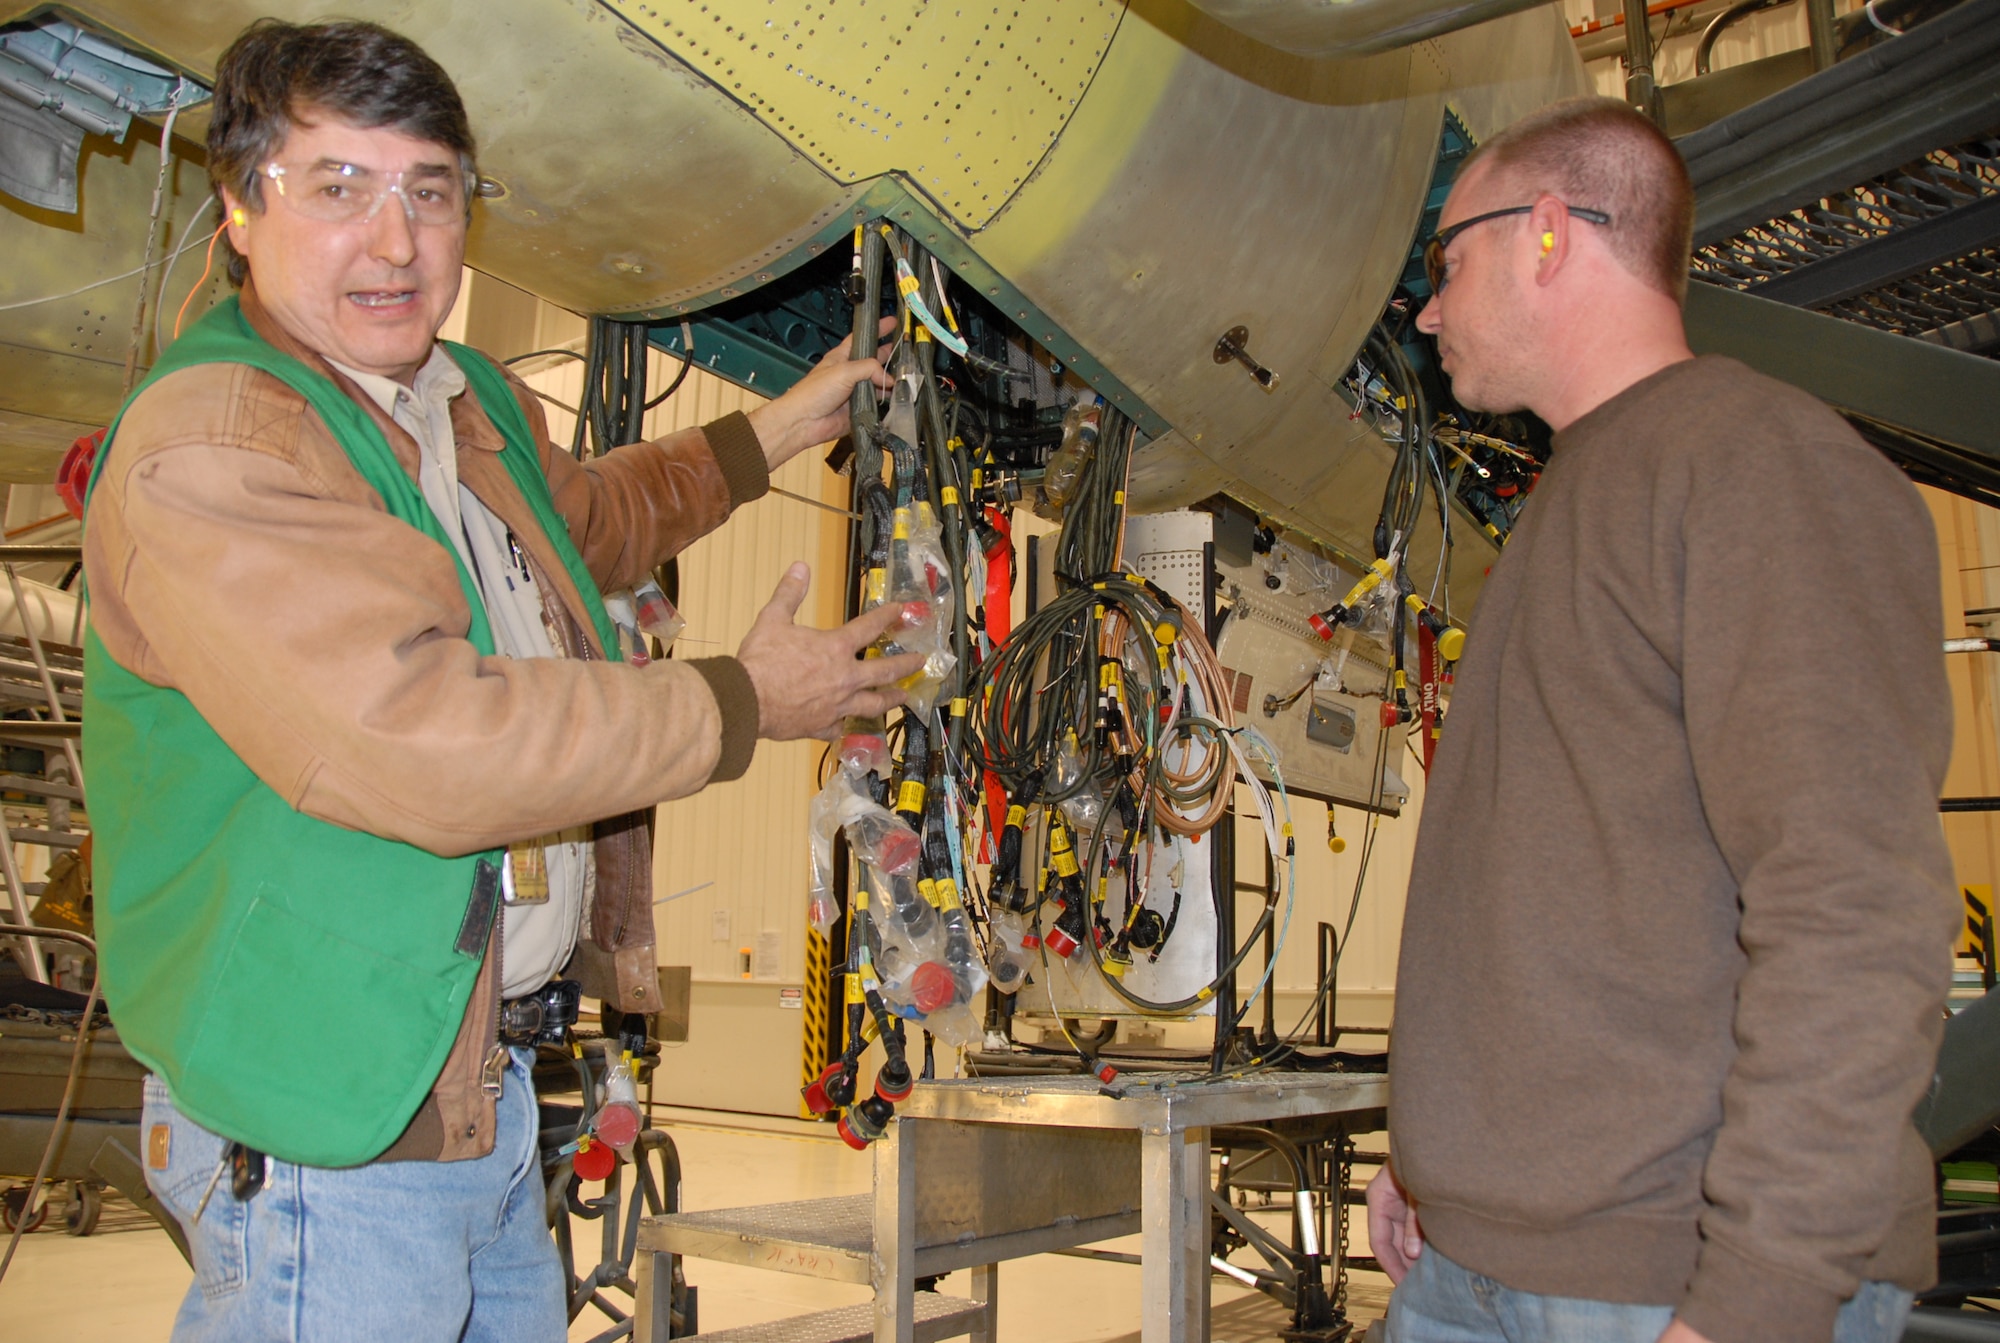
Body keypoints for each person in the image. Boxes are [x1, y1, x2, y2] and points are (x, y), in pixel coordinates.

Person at [81, 19, 918, 1341]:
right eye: (339, 187)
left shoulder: (458, 396)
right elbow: (424, 741)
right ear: (241, 206)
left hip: (482, 1089)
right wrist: (741, 700)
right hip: (334, 1123)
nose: (397, 239)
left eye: (431, 189)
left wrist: (773, 431)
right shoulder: (218, 443)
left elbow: (584, 516)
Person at [1366, 96, 1956, 1343]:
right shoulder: (1577, 493)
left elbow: (1852, 901)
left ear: (1542, 232)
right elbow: (1575, 891)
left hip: (1662, 1285)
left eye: (1443, 261)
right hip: (1485, 1260)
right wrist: (1445, 1156)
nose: (1424, 311)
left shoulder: (1755, 465)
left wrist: (1759, 1296)